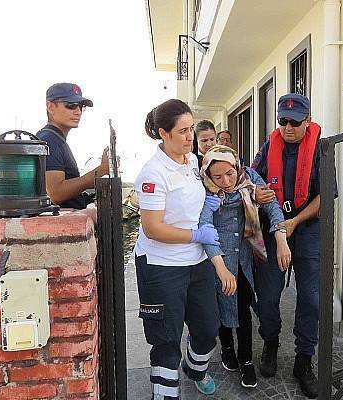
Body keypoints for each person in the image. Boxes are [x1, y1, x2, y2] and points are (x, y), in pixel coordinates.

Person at [134, 99, 222, 399]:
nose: (190, 137)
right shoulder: (152, 173)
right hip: (161, 265)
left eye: (191, 130)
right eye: (182, 131)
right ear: (163, 133)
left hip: (196, 262)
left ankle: (195, 370)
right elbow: (152, 228)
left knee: (208, 328)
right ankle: (165, 394)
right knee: (166, 340)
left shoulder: (194, 162)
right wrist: (196, 234)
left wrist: (212, 202)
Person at [251, 93, 327, 399]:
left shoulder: (321, 149)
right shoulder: (269, 146)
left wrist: (294, 223)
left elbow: (325, 197)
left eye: (295, 122)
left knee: (310, 298)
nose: (288, 127)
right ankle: (270, 340)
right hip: (273, 228)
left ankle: (304, 359)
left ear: (307, 121)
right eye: (283, 121)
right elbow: (250, 179)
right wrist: (256, 192)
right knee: (267, 295)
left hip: (306, 227)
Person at [199, 144, 291, 389]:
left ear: (236, 167)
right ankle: (227, 347)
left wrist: (281, 239)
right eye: (217, 177)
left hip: (244, 257)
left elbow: (271, 205)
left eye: (229, 173)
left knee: (243, 307)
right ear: (207, 175)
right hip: (218, 258)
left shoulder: (248, 178)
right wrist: (220, 267)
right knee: (221, 305)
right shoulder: (204, 192)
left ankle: (246, 360)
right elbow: (205, 227)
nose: (226, 181)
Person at [36, 83, 109, 209]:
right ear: (51, 107)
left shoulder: (55, 139)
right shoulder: (48, 140)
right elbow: (56, 193)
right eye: (71, 105)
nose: (78, 111)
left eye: (81, 106)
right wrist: (100, 171)